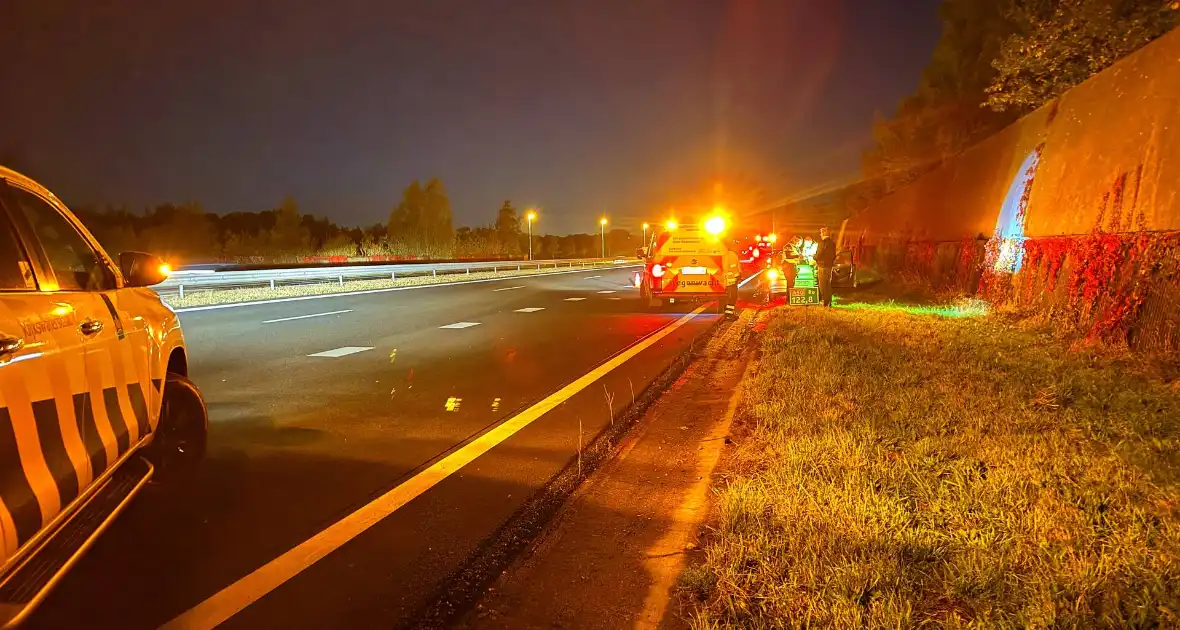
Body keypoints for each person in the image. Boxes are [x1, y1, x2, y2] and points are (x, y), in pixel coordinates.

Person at [815, 226, 837, 307]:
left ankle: (825, 301)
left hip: (822, 266)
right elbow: (834, 255)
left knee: (822, 284)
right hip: (829, 266)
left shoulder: (822, 243)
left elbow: (819, 254)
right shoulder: (832, 243)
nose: (820, 234)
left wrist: (814, 257)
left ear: (824, 233)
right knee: (828, 284)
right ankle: (829, 301)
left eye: (821, 233)